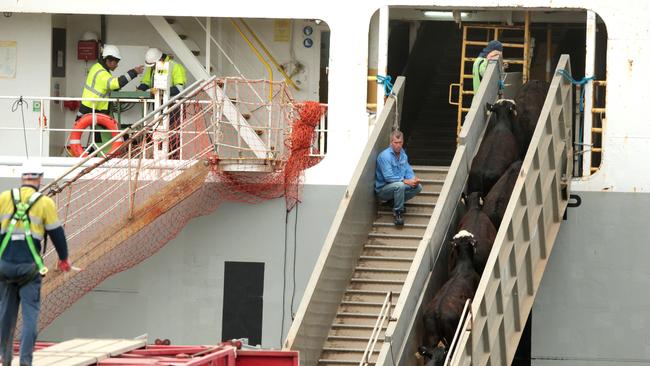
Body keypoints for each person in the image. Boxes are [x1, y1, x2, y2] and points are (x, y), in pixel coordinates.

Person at [0, 159, 71, 365]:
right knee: (30, 316)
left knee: (5, 313)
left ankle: (4, 358)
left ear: (22, 177)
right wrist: (63, 259)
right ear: (39, 179)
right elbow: (57, 234)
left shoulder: (4, 198)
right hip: (29, 269)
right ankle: (25, 361)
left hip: (4, 266)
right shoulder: (45, 203)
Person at [78, 45, 145, 145]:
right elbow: (115, 83)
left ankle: (97, 149)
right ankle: (129, 140)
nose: (117, 65)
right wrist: (134, 72)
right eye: (116, 62)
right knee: (106, 128)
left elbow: (109, 86)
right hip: (92, 106)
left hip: (92, 105)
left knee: (100, 130)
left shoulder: (98, 68)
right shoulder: (101, 73)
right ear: (108, 61)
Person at [137, 48, 187, 159]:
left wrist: (158, 90)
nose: (152, 67)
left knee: (173, 134)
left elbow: (179, 89)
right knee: (158, 133)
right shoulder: (154, 67)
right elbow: (146, 82)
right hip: (159, 106)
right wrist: (140, 90)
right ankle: (158, 157)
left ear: (160, 59)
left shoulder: (175, 67)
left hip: (174, 107)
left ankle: (173, 158)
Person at [375, 130, 422, 226]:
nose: (398, 145)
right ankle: (398, 213)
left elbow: (408, 170)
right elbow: (388, 178)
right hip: (383, 190)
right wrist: (406, 181)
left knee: (418, 187)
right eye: (395, 143)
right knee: (400, 186)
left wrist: (413, 179)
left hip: (397, 186)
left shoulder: (403, 155)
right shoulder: (385, 156)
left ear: (402, 142)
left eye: (400, 142)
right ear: (391, 142)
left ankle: (393, 202)